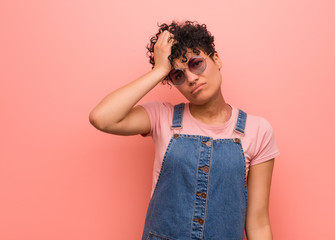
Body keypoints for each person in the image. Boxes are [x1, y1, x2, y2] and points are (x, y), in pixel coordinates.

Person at [89, 20, 280, 240]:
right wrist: (160, 70)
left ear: (216, 59)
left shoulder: (257, 130)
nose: (190, 78)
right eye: (177, 75)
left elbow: (258, 224)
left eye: (196, 63)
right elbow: (101, 118)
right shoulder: (162, 117)